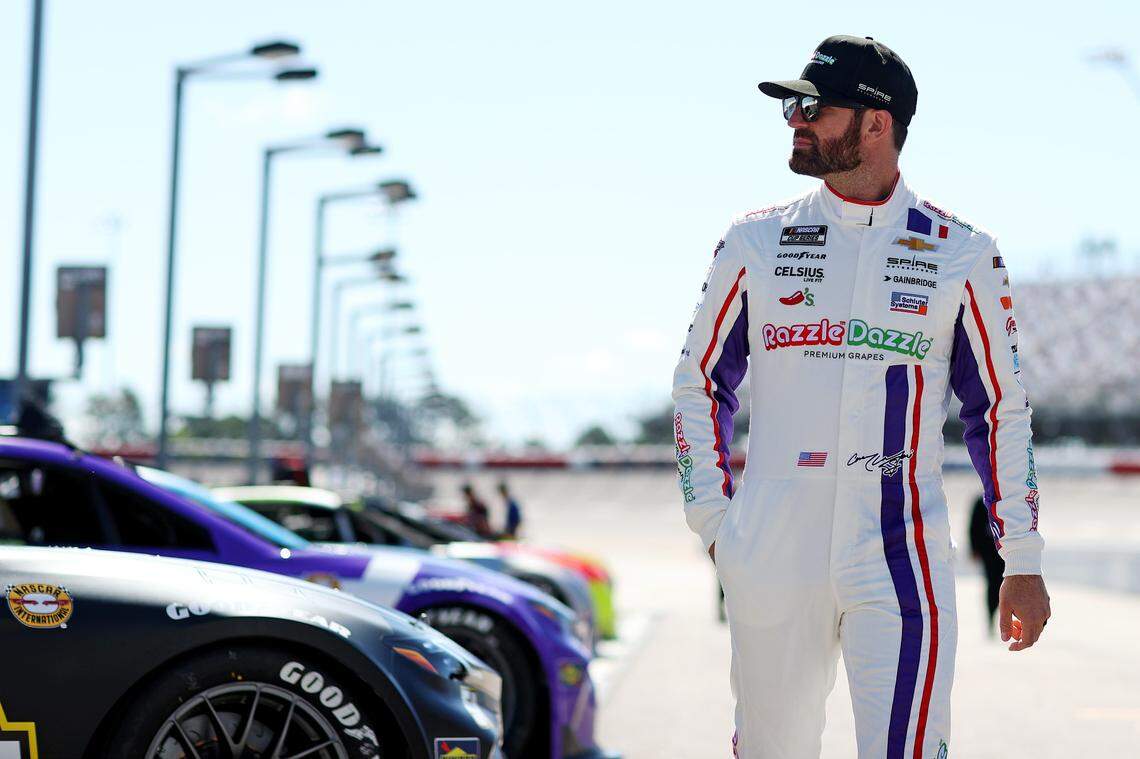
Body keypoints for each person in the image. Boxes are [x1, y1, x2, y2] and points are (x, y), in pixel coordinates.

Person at [671, 35, 1051, 758]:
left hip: (901, 548)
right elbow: (697, 382)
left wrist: (1022, 558)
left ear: (878, 123)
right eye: (791, 104)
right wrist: (717, 525)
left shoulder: (962, 253)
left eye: (813, 105)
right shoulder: (754, 241)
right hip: (773, 547)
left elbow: (999, 410)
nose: (794, 119)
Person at [969, 493, 1006, 635]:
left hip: (1005, 552)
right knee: (992, 585)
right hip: (988, 552)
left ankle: (1009, 622)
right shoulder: (980, 502)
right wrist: (974, 549)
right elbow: (973, 527)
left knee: (1005, 584)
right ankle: (991, 619)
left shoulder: (1006, 501)